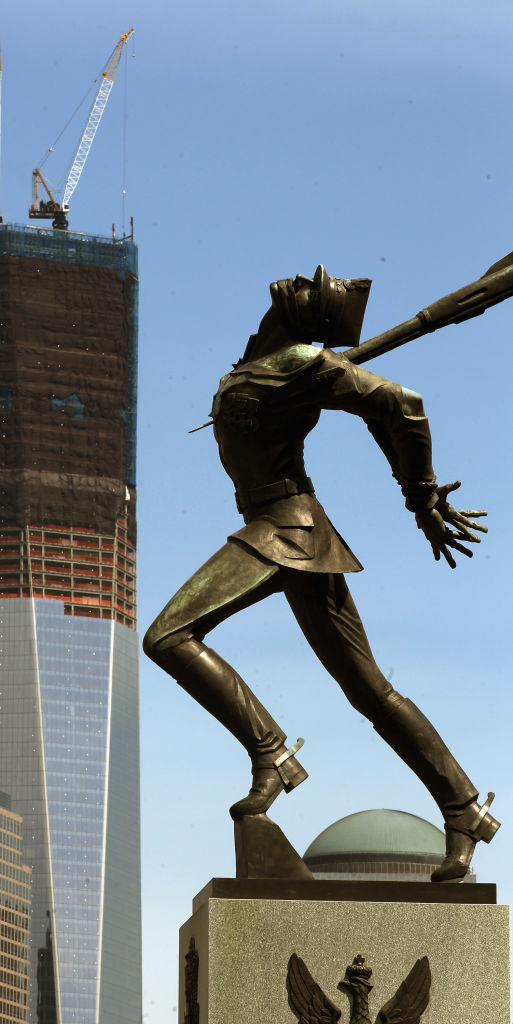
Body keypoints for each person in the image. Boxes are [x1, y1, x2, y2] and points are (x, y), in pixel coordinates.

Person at [143, 266, 499, 883]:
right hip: (285, 527)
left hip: (285, 529)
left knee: (168, 637)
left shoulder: (308, 364)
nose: (302, 279)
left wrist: (423, 499)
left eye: (315, 287)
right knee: (370, 691)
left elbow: (402, 407)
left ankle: (271, 753)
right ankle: (463, 806)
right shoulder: (271, 363)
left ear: (311, 317)